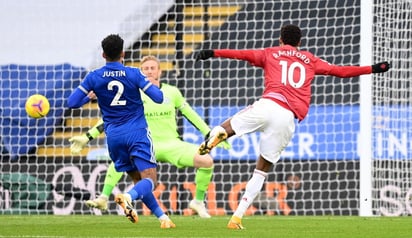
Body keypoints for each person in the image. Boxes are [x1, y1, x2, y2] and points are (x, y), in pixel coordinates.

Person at [194, 24, 391, 229]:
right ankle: (237, 217)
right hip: (287, 117)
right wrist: (374, 68)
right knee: (261, 170)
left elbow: (241, 54)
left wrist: (213, 52)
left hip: (268, 104)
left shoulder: (270, 53)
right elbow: (340, 71)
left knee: (229, 127)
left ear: (280, 40)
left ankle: (220, 133)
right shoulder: (310, 60)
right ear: (300, 42)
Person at [69, 55, 231, 218]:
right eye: (145, 68)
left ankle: (197, 202)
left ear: (159, 71)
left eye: (153, 68)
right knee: (120, 160)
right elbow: (111, 118)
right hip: (144, 143)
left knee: (206, 161)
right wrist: (88, 136)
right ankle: (104, 197)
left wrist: (209, 135)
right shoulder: (133, 91)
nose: (149, 71)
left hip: (171, 145)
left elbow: (191, 114)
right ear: (141, 71)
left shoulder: (172, 91)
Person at [67, 35, 175, 229]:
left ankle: (163, 218)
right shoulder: (134, 73)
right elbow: (158, 98)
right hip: (137, 133)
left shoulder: (94, 76)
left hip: (114, 138)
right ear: (123, 53)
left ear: (103, 54)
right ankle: (127, 197)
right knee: (150, 180)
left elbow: (72, 102)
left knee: (137, 179)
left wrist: (91, 96)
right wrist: (146, 85)